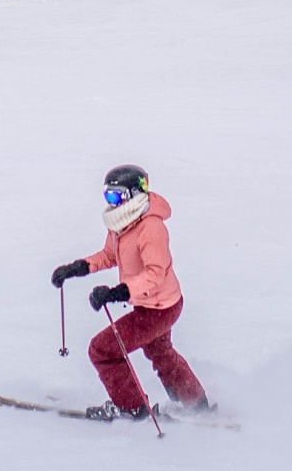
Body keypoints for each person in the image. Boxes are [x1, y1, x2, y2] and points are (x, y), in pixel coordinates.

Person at [51, 164, 209, 419]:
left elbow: (155, 274)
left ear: (134, 194)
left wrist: (117, 293)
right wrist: (77, 268)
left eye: (115, 196)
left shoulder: (151, 228)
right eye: (107, 196)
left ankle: (131, 407)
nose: (111, 203)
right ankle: (197, 404)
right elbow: (109, 255)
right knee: (160, 352)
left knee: (103, 349)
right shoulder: (121, 222)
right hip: (150, 303)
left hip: (160, 307)